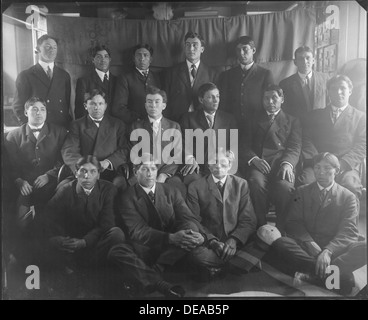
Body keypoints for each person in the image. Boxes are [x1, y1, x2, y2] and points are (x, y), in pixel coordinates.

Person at [271, 152, 367, 295]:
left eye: (327, 168)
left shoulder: (348, 197)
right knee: (281, 243)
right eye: (317, 168)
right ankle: (336, 277)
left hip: (335, 250)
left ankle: (312, 276)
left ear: (337, 171)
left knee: (364, 248)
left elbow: (348, 231)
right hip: (307, 248)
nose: (321, 172)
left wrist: (328, 251)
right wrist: (309, 242)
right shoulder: (302, 191)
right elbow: (293, 222)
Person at [117, 153, 204, 297]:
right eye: (145, 169)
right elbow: (138, 231)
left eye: (153, 168)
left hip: (173, 248)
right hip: (147, 247)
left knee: (191, 227)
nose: (150, 173)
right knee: (118, 251)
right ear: (135, 172)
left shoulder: (171, 190)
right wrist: (171, 238)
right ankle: (160, 279)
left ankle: (156, 269)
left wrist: (201, 236)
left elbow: (188, 217)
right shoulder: (127, 196)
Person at [43, 156, 131, 295]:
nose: (87, 176)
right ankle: (74, 273)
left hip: (95, 245)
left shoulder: (109, 189)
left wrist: (84, 242)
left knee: (116, 234)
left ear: (98, 174)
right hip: (70, 245)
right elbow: (48, 217)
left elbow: (106, 224)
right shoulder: (65, 190)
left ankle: (83, 272)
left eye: (92, 172)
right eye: (83, 171)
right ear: (76, 173)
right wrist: (56, 238)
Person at [5, 97, 67, 262]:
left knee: (53, 220)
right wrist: (19, 181)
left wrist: (49, 175)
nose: (38, 113)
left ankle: (56, 259)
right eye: (34, 109)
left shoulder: (59, 132)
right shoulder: (13, 135)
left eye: (42, 109)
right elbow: (10, 165)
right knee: (20, 220)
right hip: (25, 186)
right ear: (26, 112)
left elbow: (64, 160)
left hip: (52, 185)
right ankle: (23, 258)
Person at [240, 85, 301, 231]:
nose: (270, 102)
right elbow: (243, 145)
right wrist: (254, 159)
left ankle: (281, 227)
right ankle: (260, 225)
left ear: (282, 99)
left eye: (274, 97)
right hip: (259, 164)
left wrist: (287, 164)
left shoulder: (292, 121)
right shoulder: (252, 119)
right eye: (266, 98)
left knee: (285, 187)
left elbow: (295, 146)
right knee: (255, 183)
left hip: (281, 164)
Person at [186, 150, 257, 277]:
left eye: (223, 163)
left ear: (230, 165)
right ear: (208, 165)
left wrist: (234, 240)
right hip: (209, 244)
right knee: (195, 254)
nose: (218, 166)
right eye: (214, 162)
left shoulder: (241, 184)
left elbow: (248, 219)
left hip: (236, 243)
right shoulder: (195, 186)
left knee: (265, 235)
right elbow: (193, 220)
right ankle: (238, 265)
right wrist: (212, 241)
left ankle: (217, 268)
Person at [300, 75, 366, 198]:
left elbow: (362, 145)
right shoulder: (314, 116)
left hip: (345, 166)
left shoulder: (361, 117)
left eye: (343, 88)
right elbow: (306, 139)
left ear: (350, 91)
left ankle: (347, 217)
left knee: (350, 185)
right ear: (328, 92)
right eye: (334, 89)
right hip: (318, 164)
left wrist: (341, 164)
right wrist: (319, 163)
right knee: (305, 184)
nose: (338, 92)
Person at [62, 89, 129, 189]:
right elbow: (69, 151)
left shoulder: (117, 125)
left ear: (105, 106)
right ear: (85, 106)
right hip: (84, 172)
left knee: (119, 186)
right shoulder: (77, 125)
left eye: (100, 104)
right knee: (64, 188)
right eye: (93, 104)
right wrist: (84, 168)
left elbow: (124, 150)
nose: (97, 107)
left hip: (110, 172)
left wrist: (108, 162)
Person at [179, 82, 238, 187]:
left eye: (217, 96)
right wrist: (190, 158)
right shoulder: (188, 118)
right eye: (211, 97)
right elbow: (183, 143)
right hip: (198, 166)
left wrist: (229, 157)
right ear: (201, 100)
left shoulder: (229, 119)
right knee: (193, 181)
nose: (216, 100)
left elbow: (234, 144)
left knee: (235, 183)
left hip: (222, 166)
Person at [129, 86, 184, 193]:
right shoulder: (136, 126)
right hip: (143, 171)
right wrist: (145, 172)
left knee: (176, 187)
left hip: (166, 172)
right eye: (149, 102)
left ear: (164, 105)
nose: (153, 106)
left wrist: (163, 175)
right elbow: (134, 154)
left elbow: (177, 155)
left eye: (157, 102)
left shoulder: (174, 126)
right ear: (145, 105)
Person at [12, 34, 72, 128]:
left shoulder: (64, 75)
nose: (51, 50)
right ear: (38, 49)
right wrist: (29, 128)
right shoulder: (26, 75)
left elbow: (66, 104)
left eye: (54, 47)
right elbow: (18, 106)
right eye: (47, 47)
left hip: (61, 128)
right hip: (38, 129)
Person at [218, 35, 273, 131]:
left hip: (257, 126)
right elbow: (223, 104)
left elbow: (269, 102)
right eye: (238, 50)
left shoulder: (265, 74)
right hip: (232, 125)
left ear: (254, 50)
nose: (241, 53)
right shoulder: (227, 75)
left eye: (245, 49)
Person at [163, 31, 217, 122]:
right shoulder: (171, 72)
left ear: (202, 49)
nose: (191, 49)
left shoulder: (212, 74)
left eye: (195, 45)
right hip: (177, 121)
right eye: (188, 45)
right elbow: (165, 101)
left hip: (202, 123)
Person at [112, 44, 161, 126]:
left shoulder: (158, 78)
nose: (142, 58)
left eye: (145, 55)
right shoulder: (125, 78)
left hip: (156, 125)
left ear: (150, 59)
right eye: (139, 55)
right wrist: (138, 120)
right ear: (134, 59)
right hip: (134, 126)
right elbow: (118, 109)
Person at [279, 46, 329, 118]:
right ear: (295, 62)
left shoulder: (325, 79)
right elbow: (285, 111)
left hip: (320, 125)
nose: (305, 62)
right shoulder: (285, 84)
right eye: (300, 59)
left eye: (308, 58)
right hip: (298, 126)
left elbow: (329, 104)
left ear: (313, 60)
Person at [74, 45, 117, 119]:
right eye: (99, 57)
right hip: (92, 126)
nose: (103, 60)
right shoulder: (84, 81)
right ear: (93, 60)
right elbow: (80, 110)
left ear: (110, 59)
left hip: (114, 126)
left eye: (106, 56)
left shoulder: (118, 81)